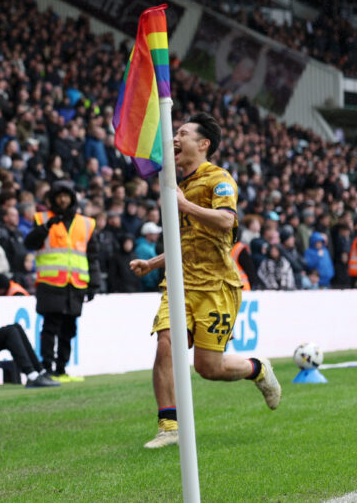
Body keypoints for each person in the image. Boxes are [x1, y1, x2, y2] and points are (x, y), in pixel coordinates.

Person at [130, 113, 281, 450]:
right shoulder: (175, 183)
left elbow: (226, 221)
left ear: (203, 144)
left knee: (208, 368)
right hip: (180, 283)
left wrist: (183, 204)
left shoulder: (219, 179)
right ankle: (169, 426)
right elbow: (185, 242)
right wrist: (153, 263)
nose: (174, 139)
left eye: (182, 133)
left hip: (216, 287)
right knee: (166, 342)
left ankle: (256, 368)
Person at [25, 180, 99, 381]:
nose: (63, 200)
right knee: (50, 328)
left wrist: (94, 284)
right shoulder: (41, 219)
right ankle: (47, 368)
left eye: (66, 196)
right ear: (52, 199)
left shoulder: (86, 223)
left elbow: (92, 257)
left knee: (69, 328)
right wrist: (46, 227)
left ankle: (61, 369)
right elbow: (29, 243)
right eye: (59, 196)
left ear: (72, 198)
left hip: (75, 284)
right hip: (50, 284)